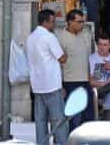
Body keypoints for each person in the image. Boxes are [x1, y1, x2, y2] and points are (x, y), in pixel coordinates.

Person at [26, 9, 68, 145]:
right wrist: (66, 52)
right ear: (45, 22)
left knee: (40, 121)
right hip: (51, 84)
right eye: (52, 21)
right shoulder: (49, 37)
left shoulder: (30, 37)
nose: (54, 24)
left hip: (37, 85)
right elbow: (62, 58)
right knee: (58, 120)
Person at [58, 10, 93, 128]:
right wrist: (60, 85)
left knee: (88, 115)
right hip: (70, 81)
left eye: (83, 22)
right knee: (73, 116)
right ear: (70, 22)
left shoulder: (86, 35)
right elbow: (57, 63)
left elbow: (90, 56)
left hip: (85, 80)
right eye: (79, 22)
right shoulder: (61, 38)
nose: (82, 24)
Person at [89, 35, 110, 121]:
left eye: (105, 45)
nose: (101, 47)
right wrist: (105, 83)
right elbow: (90, 81)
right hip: (95, 89)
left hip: (107, 90)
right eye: (100, 44)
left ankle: (108, 124)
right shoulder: (91, 59)